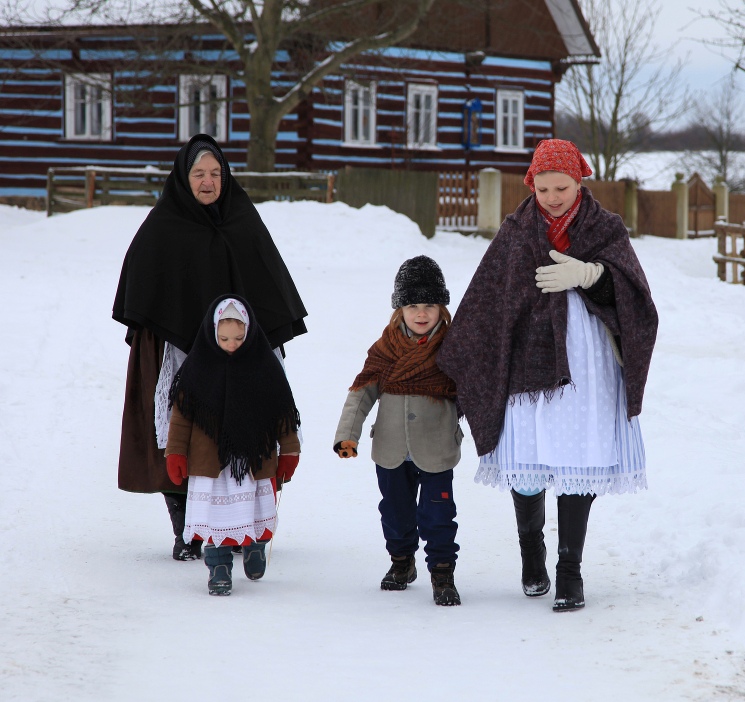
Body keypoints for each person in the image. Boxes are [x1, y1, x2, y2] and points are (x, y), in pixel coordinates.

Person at [436, 139, 658, 612]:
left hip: (586, 365)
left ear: (580, 182)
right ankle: (531, 553)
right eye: (543, 188)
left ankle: (569, 572)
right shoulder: (516, 232)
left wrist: (592, 274)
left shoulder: (606, 228)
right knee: (528, 459)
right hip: (527, 365)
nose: (553, 196)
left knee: (579, 459)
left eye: (562, 186)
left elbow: (636, 298)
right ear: (530, 185)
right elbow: (487, 299)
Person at [112, 134, 307, 561]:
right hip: (176, 350)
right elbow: (141, 290)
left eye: (216, 173)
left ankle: (242, 524)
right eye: (198, 173)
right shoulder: (163, 226)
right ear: (184, 178)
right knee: (182, 433)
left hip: (240, 350)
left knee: (244, 431)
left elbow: (268, 283)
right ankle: (187, 529)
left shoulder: (242, 219)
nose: (208, 182)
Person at [334, 256, 463, 606]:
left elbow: (476, 391)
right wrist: (348, 433)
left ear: (441, 307)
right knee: (395, 511)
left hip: (436, 448)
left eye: (429, 305)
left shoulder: (454, 348)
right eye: (412, 305)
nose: (421, 314)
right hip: (391, 448)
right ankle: (401, 562)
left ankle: (441, 571)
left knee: (438, 514)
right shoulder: (386, 349)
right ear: (399, 309)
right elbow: (361, 392)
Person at [165, 295, 301, 596]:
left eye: (239, 338)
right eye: (224, 338)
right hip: (210, 463)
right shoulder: (196, 369)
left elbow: (282, 413)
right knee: (216, 519)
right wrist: (175, 452)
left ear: (250, 333)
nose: (231, 344)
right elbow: (181, 418)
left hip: (253, 460)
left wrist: (289, 450)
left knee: (251, 510)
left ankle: (254, 545)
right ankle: (219, 569)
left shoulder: (264, 367)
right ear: (212, 333)